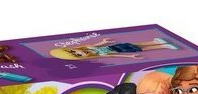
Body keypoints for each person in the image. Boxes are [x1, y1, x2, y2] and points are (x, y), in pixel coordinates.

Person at [49, 37, 178, 61]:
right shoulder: (96, 55)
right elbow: (112, 56)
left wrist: (104, 41)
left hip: (114, 47)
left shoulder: (89, 48)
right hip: (118, 51)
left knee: (136, 44)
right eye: (77, 55)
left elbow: (98, 44)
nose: (78, 52)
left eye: (73, 51)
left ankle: (154, 42)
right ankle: (163, 46)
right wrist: (130, 56)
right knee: (138, 49)